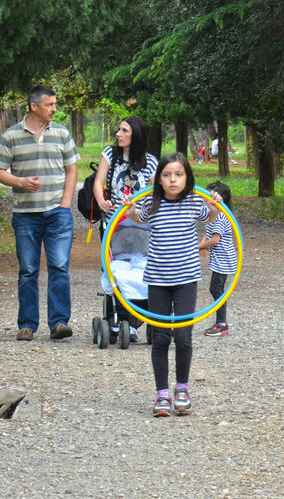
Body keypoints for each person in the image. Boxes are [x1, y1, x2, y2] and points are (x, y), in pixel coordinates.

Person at [123, 152, 222, 417]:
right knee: (161, 337)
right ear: (159, 180)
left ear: (187, 177)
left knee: (183, 336)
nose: (173, 179)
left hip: (186, 280)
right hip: (157, 279)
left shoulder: (192, 202)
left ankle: (182, 389)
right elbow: (136, 217)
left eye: (178, 174)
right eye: (166, 175)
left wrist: (214, 204)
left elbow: (211, 217)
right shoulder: (152, 204)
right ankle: (162, 394)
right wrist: (128, 208)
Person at [0, 86, 79, 342]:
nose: (54, 109)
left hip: (57, 213)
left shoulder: (61, 132)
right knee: (28, 270)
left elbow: (72, 170)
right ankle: (27, 325)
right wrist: (20, 182)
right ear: (34, 106)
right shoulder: (11, 136)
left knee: (59, 267)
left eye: (55, 104)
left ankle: (59, 322)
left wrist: (65, 204)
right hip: (26, 215)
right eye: (50, 104)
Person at [92, 115, 158, 342]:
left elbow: (154, 195)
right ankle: (117, 319)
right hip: (113, 223)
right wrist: (102, 200)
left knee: (143, 270)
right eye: (119, 130)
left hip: (140, 224)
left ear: (136, 135)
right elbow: (98, 182)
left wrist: (143, 214)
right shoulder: (110, 154)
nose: (118, 134)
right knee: (115, 271)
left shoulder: (150, 162)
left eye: (124, 131)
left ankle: (140, 318)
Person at [198, 181, 238, 337]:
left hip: (224, 258)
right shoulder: (213, 214)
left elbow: (215, 239)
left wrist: (197, 247)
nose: (205, 199)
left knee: (216, 290)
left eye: (208, 196)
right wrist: (202, 245)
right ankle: (221, 323)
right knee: (216, 289)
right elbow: (208, 233)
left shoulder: (220, 216)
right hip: (219, 258)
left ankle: (222, 324)